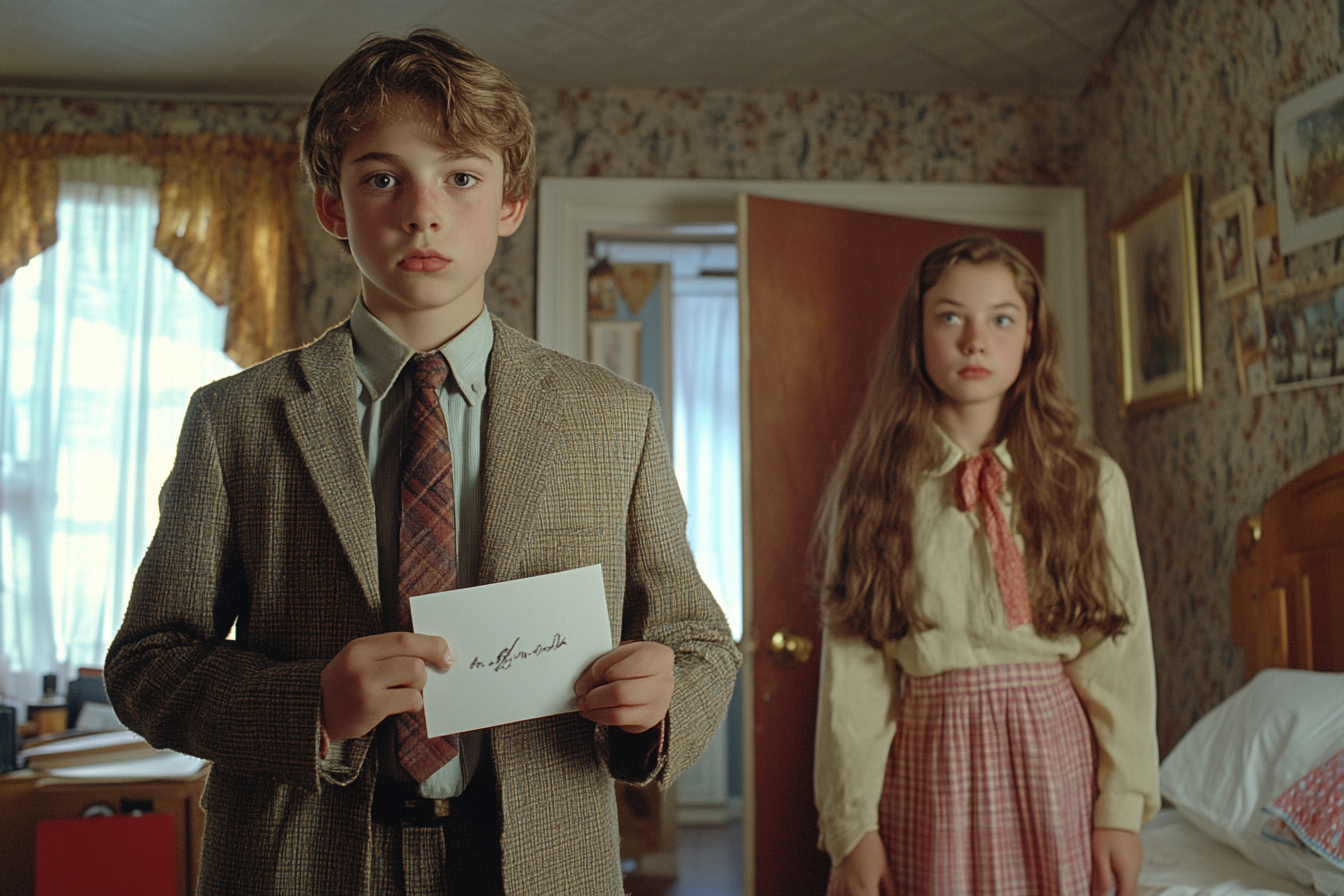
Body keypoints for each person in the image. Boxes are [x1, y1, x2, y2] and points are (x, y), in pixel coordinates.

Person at [104, 28, 739, 896]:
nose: (423, 211)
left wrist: (661, 701)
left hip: (541, 856)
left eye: (461, 177)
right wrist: (313, 706)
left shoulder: (614, 419)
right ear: (333, 207)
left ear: (511, 202)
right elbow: (148, 662)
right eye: (381, 178)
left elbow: (699, 640)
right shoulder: (236, 420)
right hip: (301, 858)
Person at [812, 235, 1159, 896]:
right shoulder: (876, 485)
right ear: (918, 335)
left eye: (1001, 319)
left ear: (1031, 337)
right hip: (929, 758)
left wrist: (1121, 810)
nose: (976, 340)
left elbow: (1120, 657)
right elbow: (853, 671)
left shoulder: (1089, 482)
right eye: (950, 317)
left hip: (1053, 758)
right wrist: (852, 825)